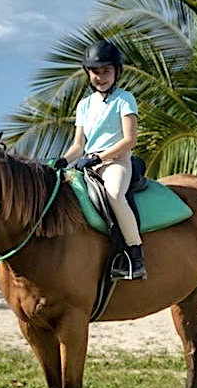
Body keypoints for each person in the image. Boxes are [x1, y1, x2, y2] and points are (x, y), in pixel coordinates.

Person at [54, 40, 146, 279]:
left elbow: (129, 140)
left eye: (106, 71)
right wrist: (63, 161)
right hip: (88, 165)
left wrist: (98, 158)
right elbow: (78, 145)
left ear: (116, 72)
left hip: (116, 163)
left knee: (115, 194)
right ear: (88, 73)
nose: (100, 77)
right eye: (95, 71)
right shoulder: (84, 105)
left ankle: (135, 254)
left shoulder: (125, 100)